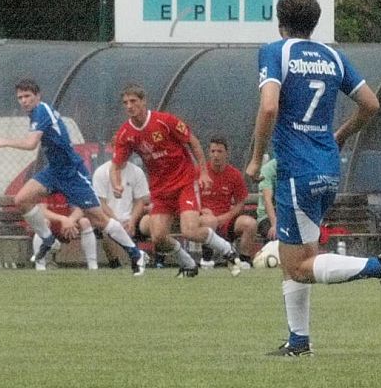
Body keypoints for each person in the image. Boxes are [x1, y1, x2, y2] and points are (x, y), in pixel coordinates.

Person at [245, 0, 381, 357]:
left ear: (281, 22)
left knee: (299, 266)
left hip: (296, 171)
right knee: (296, 256)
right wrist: (341, 134)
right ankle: (298, 341)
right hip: (326, 167)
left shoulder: (276, 51)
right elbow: (371, 104)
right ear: (314, 22)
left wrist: (256, 159)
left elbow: (269, 107)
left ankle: (378, 266)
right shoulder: (333, 56)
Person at [0, 78, 148, 276]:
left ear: (37, 96)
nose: (24, 101)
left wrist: (5, 141)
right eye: (20, 97)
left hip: (72, 172)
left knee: (99, 219)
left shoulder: (42, 111)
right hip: (54, 170)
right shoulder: (35, 113)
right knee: (21, 199)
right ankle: (48, 240)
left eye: (27, 96)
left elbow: (31, 144)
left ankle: (136, 254)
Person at [112, 83, 241, 278]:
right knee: (158, 237)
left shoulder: (165, 121)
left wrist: (203, 172)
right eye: (125, 103)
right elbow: (116, 165)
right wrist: (116, 184)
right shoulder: (125, 133)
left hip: (184, 182)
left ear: (144, 101)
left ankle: (226, 249)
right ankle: (188, 264)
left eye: (133, 101)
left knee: (190, 230)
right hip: (160, 190)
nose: (129, 106)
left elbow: (193, 142)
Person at [93, 157, 197, 271]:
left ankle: (159, 260)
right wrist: (117, 222)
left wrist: (132, 221)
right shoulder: (101, 172)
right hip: (111, 219)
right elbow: (101, 204)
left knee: (153, 223)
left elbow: (141, 201)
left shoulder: (136, 171)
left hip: (134, 219)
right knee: (108, 228)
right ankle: (116, 266)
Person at [199, 137, 257, 268]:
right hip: (203, 221)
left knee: (250, 223)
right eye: (213, 151)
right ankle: (206, 260)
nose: (216, 155)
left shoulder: (234, 175)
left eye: (219, 151)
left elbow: (240, 203)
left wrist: (226, 217)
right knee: (209, 221)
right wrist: (201, 210)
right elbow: (190, 197)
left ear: (227, 153)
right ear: (208, 153)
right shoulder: (200, 172)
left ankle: (244, 261)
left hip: (226, 221)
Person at [31, 193, 98, 270]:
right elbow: (42, 211)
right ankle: (40, 266)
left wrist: (70, 220)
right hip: (51, 225)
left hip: (70, 226)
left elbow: (81, 209)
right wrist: (62, 219)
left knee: (85, 222)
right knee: (43, 222)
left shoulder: (70, 189)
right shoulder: (45, 189)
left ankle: (93, 265)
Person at [256, 157, 277, 242]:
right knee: (277, 234)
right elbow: (267, 200)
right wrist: (274, 225)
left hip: (290, 215)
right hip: (267, 216)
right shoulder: (268, 169)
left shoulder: (298, 167)